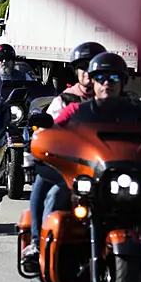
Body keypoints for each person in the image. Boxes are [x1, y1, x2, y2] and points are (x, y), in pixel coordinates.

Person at [22, 41, 106, 267]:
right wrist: (37, 154)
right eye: (83, 67)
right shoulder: (66, 101)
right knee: (49, 189)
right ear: (76, 71)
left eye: (93, 66)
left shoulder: (117, 103)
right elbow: (45, 133)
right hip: (71, 171)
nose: (88, 71)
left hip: (108, 171)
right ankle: (37, 245)